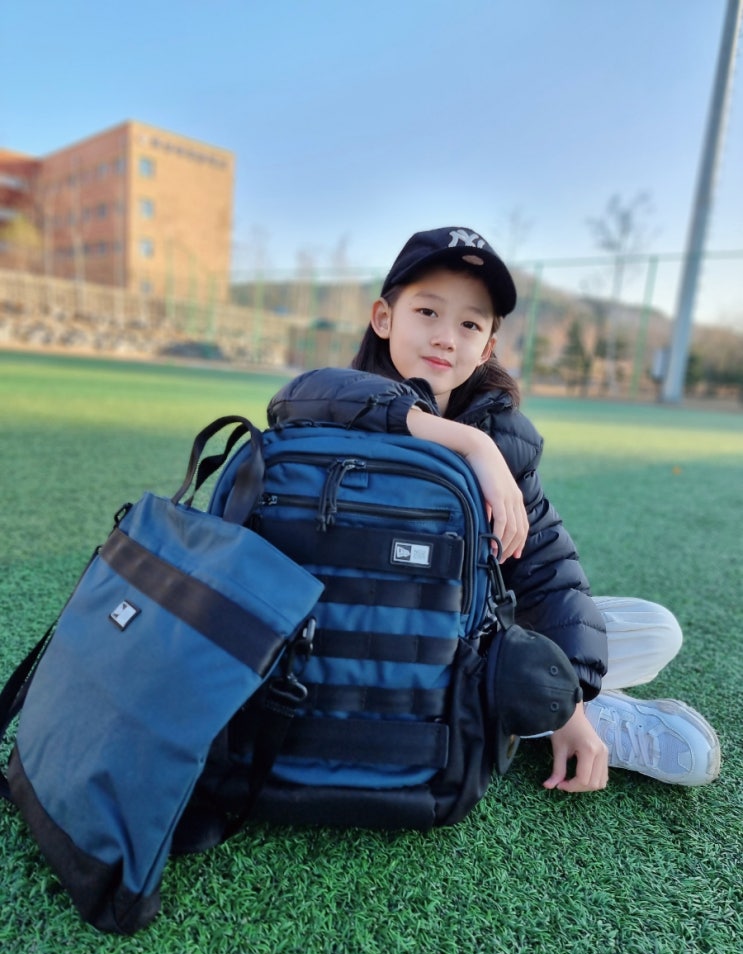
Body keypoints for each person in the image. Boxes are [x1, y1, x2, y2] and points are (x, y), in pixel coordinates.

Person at [267, 226, 721, 792]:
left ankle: (551, 710)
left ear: (486, 348)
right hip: (350, 631)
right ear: (384, 318)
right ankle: (527, 708)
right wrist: (468, 446)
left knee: (655, 630)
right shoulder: (341, 401)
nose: (445, 338)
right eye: (427, 312)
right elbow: (296, 396)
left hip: (468, 632)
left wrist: (571, 698)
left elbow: (548, 571)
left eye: (470, 324)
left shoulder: (507, 438)